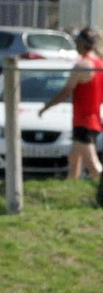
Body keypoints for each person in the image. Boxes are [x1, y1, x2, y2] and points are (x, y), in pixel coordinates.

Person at [39, 27, 103, 198]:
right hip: (94, 119)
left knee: (93, 165)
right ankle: (70, 188)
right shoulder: (100, 64)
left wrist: (47, 106)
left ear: (82, 44)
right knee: (74, 158)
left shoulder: (82, 65)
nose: (76, 45)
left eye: (77, 42)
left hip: (84, 121)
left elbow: (66, 91)